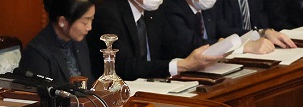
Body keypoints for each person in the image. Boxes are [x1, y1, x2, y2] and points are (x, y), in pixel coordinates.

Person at [87, 0, 223, 80]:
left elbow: (174, 47)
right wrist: (182, 65)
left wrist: (217, 48)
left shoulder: (154, 11)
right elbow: (123, 66)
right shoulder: (108, 11)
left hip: (155, 85)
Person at [160, 0, 293, 60]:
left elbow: (225, 30)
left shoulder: (206, 7)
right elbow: (192, 45)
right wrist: (244, 47)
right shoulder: (171, 7)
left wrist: (261, 33)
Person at [17, 0, 98, 84]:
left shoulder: (79, 41)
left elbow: (89, 83)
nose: (89, 27)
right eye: (85, 22)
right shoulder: (36, 53)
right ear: (62, 21)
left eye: (91, 19)